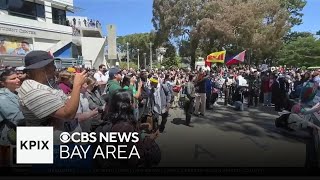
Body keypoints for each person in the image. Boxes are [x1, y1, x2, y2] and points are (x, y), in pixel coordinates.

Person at [16, 51, 87, 142]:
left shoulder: (47, 83)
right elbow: (68, 114)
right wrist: (77, 85)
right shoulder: (33, 90)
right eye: (51, 65)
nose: (54, 67)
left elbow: (65, 102)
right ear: (42, 69)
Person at [95, 90, 161, 168]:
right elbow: (134, 157)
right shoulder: (124, 128)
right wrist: (150, 139)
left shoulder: (113, 119)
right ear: (127, 104)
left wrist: (139, 126)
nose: (134, 104)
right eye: (132, 102)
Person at [0, 69, 24, 167]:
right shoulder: (2, 97)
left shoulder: (16, 93)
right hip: (9, 138)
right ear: (2, 83)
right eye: (13, 79)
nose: (17, 80)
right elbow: (17, 118)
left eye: (17, 77)